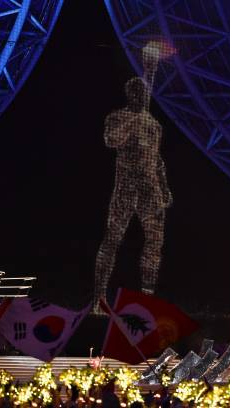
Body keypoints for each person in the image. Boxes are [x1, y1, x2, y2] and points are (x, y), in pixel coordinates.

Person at [92, 75, 172, 314]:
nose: (141, 96)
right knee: (112, 239)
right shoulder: (117, 117)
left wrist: (165, 187)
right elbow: (110, 140)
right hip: (126, 187)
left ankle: (147, 297)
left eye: (144, 92)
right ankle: (99, 298)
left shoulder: (154, 125)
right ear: (130, 94)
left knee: (155, 243)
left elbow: (156, 159)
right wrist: (132, 123)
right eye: (137, 92)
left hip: (150, 189)